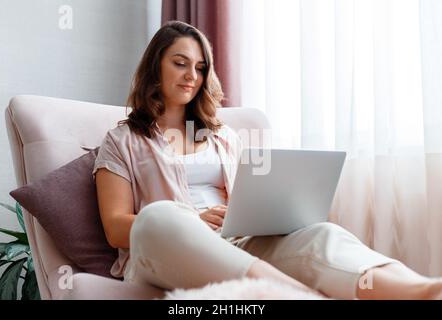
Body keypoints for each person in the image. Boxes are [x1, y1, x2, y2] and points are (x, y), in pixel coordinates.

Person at [92, 20, 442, 300]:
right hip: (164, 250)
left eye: (200, 68)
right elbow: (115, 227)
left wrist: (265, 214)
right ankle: (297, 293)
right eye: (180, 64)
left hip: (236, 244)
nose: (192, 76)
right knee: (159, 216)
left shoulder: (223, 136)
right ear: (156, 66)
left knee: (321, 233)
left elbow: (249, 197)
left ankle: (421, 289)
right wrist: (195, 219)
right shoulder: (122, 140)